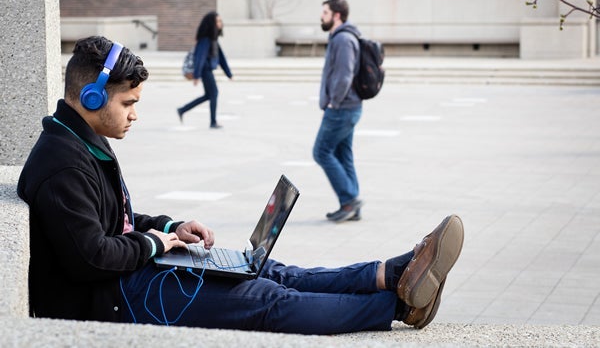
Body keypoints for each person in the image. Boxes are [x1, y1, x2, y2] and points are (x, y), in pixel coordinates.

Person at [17, 36, 464, 335]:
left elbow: (116, 222)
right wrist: (155, 244)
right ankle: (400, 306)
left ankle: (389, 273)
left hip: (128, 276)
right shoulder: (63, 165)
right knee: (264, 299)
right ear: (91, 97)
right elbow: (91, 258)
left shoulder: (81, 139)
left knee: (265, 269)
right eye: (129, 103)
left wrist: (173, 227)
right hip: (114, 300)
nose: (135, 114)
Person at [313, 0, 364, 223]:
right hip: (348, 107)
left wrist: (334, 101)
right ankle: (351, 205)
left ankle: (349, 200)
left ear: (336, 15)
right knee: (344, 154)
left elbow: (344, 75)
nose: (321, 16)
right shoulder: (340, 37)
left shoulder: (343, 39)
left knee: (321, 151)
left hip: (342, 108)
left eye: (325, 12)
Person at [177, 11, 233, 128]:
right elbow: (200, 57)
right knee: (214, 93)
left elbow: (221, 57)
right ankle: (213, 122)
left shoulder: (213, 38)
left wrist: (229, 74)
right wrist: (197, 75)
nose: (220, 23)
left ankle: (182, 110)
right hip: (205, 70)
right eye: (217, 21)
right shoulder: (206, 39)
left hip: (207, 70)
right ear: (212, 23)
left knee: (209, 95)